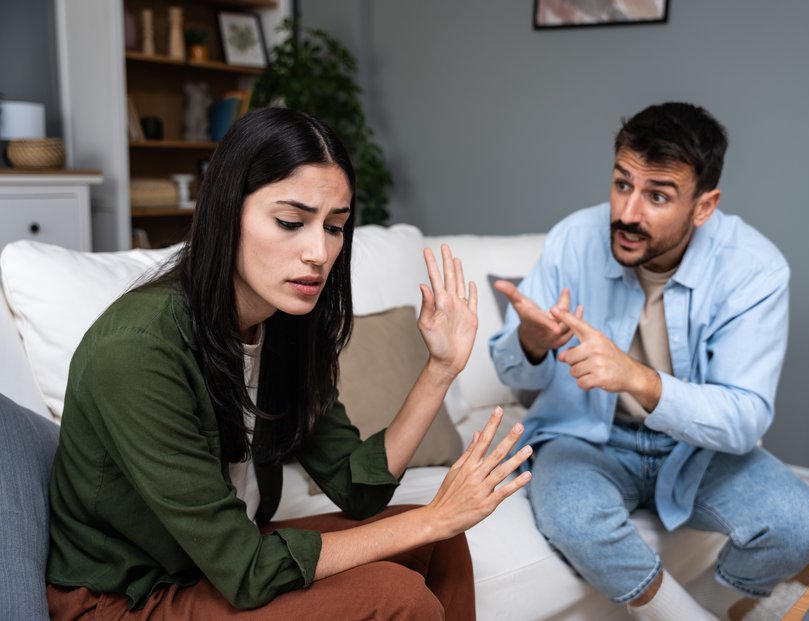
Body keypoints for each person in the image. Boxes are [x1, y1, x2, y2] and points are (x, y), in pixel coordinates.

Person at [44, 107, 532, 620]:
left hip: (218, 562)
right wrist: (435, 517)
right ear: (226, 210)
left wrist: (440, 369)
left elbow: (355, 488)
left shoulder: (284, 323)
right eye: (291, 222)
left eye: (336, 227)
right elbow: (247, 568)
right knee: (400, 592)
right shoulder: (137, 350)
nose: (319, 252)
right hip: (130, 596)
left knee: (440, 546)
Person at [490, 102, 809, 621]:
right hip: (585, 437)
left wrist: (639, 380)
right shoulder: (574, 239)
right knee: (573, 515)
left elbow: (743, 421)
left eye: (658, 196)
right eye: (622, 183)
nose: (627, 212)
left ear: (704, 205)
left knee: (797, 525)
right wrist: (532, 341)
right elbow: (513, 372)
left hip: (696, 449)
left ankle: (703, 609)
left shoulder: (754, 270)